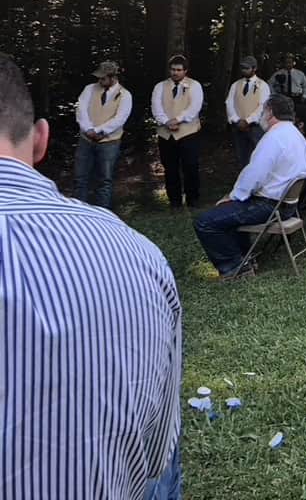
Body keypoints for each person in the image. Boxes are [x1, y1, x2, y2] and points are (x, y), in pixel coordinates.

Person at [0, 53, 183, 500]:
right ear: (41, 140)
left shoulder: (127, 96)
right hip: (128, 483)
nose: (105, 79)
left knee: (103, 184)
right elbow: (160, 453)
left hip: (112, 139)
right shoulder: (141, 254)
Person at [193, 94, 306, 279]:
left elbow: (254, 175)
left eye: (263, 111)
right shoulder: (296, 135)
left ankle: (235, 267)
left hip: (270, 206)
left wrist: (234, 196)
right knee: (230, 212)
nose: (262, 115)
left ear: (270, 112)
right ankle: (246, 257)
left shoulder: (274, 138)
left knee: (205, 222)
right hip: (288, 205)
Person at [74, 60, 133, 209]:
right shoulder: (89, 89)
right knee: (80, 178)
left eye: (103, 78)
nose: (99, 80)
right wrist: (88, 130)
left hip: (109, 142)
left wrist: (100, 130)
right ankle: (79, 212)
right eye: (99, 77)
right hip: (86, 139)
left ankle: (103, 214)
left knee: (104, 180)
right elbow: (81, 110)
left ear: (113, 77)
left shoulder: (125, 95)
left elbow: (120, 118)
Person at [151, 54, 204, 209]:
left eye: (179, 70)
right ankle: (174, 201)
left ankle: (193, 199)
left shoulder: (195, 86)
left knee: (190, 166)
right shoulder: (160, 86)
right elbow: (156, 107)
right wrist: (166, 122)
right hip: (166, 134)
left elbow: (194, 107)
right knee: (170, 168)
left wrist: (178, 119)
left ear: (185, 71)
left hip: (188, 132)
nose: (175, 73)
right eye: (173, 69)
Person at [225, 55, 269, 167]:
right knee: (241, 155)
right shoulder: (235, 85)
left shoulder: (263, 85)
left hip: (255, 126)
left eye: (247, 68)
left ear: (254, 69)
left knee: (257, 155)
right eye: (242, 68)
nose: (244, 70)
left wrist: (248, 120)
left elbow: (262, 106)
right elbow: (229, 103)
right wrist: (237, 120)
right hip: (238, 126)